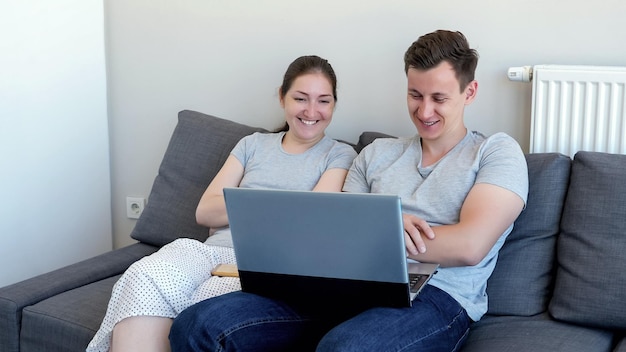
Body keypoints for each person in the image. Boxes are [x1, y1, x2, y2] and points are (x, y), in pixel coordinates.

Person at [169, 29, 529, 352]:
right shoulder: (376, 154)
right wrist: (384, 231)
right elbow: (334, 235)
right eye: (415, 95)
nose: (425, 110)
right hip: (344, 285)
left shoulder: (495, 152)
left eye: (440, 98)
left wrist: (379, 232)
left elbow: (469, 247)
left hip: (437, 296)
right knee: (198, 325)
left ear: (470, 92)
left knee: (346, 347)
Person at [86, 55, 357, 352]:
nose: (311, 111)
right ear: (282, 97)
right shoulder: (252, 144)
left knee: (206, 308)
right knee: (144, 275)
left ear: (333, 105)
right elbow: (205, 211)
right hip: (208, 250)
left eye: (323, 101)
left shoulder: (339, 155)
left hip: (261, 264)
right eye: (301, 98)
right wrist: (276, 209)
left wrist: (243, 207)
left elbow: (307, 221)